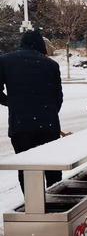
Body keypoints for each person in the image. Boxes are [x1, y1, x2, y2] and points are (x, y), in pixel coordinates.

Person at [0, 30, 63, 192]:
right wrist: (49, 112)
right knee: (52, 167)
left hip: (21, 126)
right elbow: (58, 97)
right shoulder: (51, 65)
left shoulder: (5, 61)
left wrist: (11, 103)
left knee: (27, 168)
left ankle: (32, 207)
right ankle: (54, 204)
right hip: (49, 126)